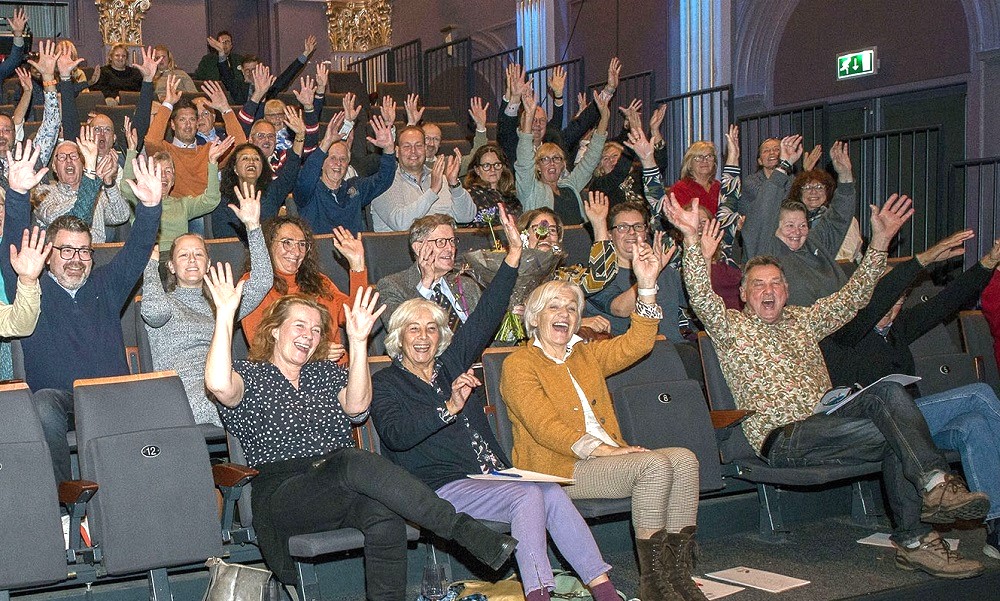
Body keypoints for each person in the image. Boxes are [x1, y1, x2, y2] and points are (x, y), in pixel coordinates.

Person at [665, 191, 989, 578]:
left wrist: (881, 241)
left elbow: (854, 297)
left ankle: (920, 531)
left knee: (889, 400)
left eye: (776, 284)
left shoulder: (805, 319)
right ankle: (931, 498)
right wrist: (689, 240)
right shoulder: (732, 328)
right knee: (895, 422)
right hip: (784, 438)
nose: (768, 291)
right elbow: (701, 297)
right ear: (745, 297)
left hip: (830, 423)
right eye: (758, 286)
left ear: (786, 291)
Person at [204, 269, 517, 597]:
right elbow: (218, 385)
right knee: (350, 461)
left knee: (386, 516)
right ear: (274, 330)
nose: (309, 336)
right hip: (285, 495)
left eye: (315, 330)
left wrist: (357, 342)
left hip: (342, 488)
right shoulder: (250, 375)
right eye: (300, 325)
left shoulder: (324, 372)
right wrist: (225, 315)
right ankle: (461, 529)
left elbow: (357, 408)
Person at [372, 205, 622, 601]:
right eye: (413, 330)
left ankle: (603, 588)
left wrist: (512, 258)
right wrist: (448, 408)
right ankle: (539, 593)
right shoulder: (386, 383)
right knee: (528, 495)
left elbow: (486, 317)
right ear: (397, 337)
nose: (424, 337)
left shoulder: (450, 364)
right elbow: (397, 435)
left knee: (551, 491)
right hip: (441, 487)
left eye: (432, 329)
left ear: (442, 337)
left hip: (496, 476)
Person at [500, 256, 706, 600]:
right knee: (652, 465)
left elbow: (639, 342)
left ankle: (677, 575)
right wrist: (606, 449)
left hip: (603, 461)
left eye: (571, 308)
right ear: (535, 318)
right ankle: (654, 584)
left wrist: (648, 286)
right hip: (558, 470)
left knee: (684, 459)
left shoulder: (585, 355)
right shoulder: (519, 364)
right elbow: (545, 428)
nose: (564, 314)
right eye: (554, 307)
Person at [821, 230, 1000, 559]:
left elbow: (947, 301)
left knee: (973, 423)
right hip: (874, 425)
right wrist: (921, 261)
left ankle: (997, 526)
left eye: (899, 303)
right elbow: (876, 303)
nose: (891, 311)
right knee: (979, 393)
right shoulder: (844, 334)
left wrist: (987, 263)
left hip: (915, 425)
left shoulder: (898, 329)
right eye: (885, 304)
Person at [3, 142, 163, 487]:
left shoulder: (106, 284)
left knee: (160, 399)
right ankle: (64, 501)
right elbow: (13, 253)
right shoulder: (31, 287)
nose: (77, 258)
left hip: (111, 395)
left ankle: (139, 495)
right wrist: (17, 194)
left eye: (84, 251)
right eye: (66, 250)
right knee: (43, 404)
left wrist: (150, 207)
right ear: (47, 253)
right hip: (62, 403)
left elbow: (136, 252)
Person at [141, 184, 272, 425]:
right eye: (183, 255)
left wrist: (253, 227)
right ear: (170, 266)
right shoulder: (164, 302)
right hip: (184, 393)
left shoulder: (223, 303)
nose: (192, 260)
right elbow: (153, 313)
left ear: (208, 263)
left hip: (226, 384)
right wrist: (150, 265)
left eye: (199, 254)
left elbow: (263, 280)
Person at [741, 136, 855, 306]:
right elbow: (763, 212)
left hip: (840, 324)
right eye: (789, 226)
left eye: (802, 225)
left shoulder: (815, 243)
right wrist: (784, 166)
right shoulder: (766, 252)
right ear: (774, 229)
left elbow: (838, 218)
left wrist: (845, 176)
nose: (797, 231)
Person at [240, 217, 367, 364]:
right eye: (287, 243)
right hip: (283, 378)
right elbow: (261, 347)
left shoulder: (320, 282)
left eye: (302, 244)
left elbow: (358, 317)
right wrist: (316, 352)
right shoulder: (254, 284)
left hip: (336, 373)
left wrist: (357, 265)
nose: (296, 251)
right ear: (268, 245)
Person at [514, 86, 608, 226]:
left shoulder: (570, 185)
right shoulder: (530, 189)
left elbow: (591, 159)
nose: (552, 163)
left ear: (563, 164)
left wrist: (604, 117)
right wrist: (528, 118)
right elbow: (524, 161)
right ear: (537, 166)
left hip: (579, 242)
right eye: (545, 159)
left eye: (556, 158)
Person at [293, 113, 396, 236]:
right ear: (322, 162)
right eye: (333, 158)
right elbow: (306, 177)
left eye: (343, 159)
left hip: (353, 253)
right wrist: (325, 144)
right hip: (320, 252)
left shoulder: (355, 187)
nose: (338, 163)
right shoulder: (309, 192)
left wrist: (389, 149)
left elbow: (384, 179)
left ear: (348, 163)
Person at [143, 75, 247, 197]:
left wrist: (225, 109)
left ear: (197, 123)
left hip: (204, 211)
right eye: (182, 119)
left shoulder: (209, 151)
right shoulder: (165, 151)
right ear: (172, 124)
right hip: (175, 210)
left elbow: (241, 147)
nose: (188, 124)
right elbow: (151, 142)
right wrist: (167, 104)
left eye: (192, 119)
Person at [376, 214, 480, 328]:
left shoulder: (467, 285)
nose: (450, 249)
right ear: (418, 248)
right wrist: (425, 284)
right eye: (440, 242)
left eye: (452, 241)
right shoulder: (393, 285)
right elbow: (399, 328)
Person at [370, 125, 476, 232]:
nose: (413, 151)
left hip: (444, 245)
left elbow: (467, 217)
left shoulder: (441, 179)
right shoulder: (381, 183)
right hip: (401, 247)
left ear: (425, 149)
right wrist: (432, 192)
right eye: (407, 146)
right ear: (397, 151)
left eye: (419, 146)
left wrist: (454, 185)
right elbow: (401, 224)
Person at [33, 127, 128, 244]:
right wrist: (91, 183)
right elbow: (52, 217)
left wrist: (109, 183)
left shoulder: (97, 195)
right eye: (62, 157)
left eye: (74, 156)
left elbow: (121, 216)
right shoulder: (42, 192)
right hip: (64, 255)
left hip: (97, 253)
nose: (68, 161)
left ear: (84, 164)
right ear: (54, 167)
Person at [789, 168, 864, 262]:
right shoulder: (791, 221)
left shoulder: (843, 220)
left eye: (819, 187)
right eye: (807, 187)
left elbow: (846, 256)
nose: (813, 192)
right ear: (799, 193)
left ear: (827, 191)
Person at [464, 143, 522, 218]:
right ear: (477, 170)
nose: (492, 169)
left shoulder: (511, 197)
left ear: (503, 168)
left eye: (497, 165)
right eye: (486, 166)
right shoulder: (471, 195)